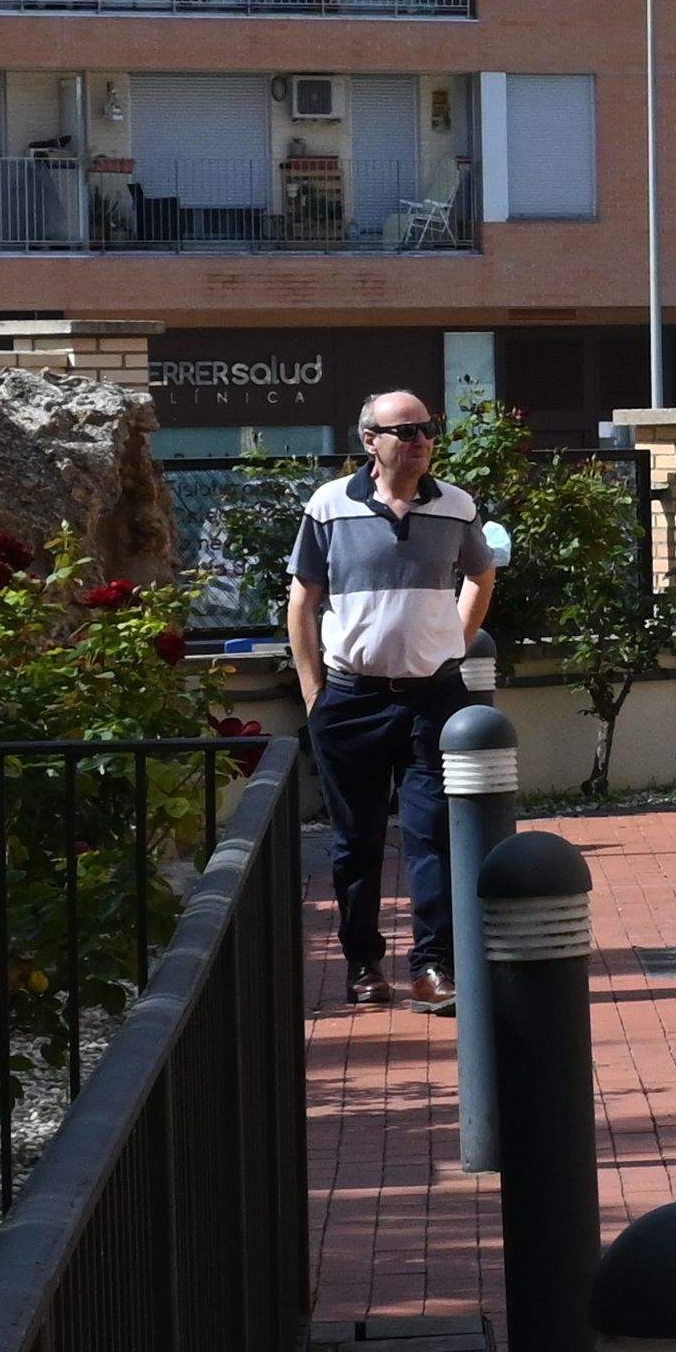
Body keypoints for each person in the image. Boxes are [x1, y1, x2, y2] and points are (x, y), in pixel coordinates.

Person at [284, 390, 505, 1011]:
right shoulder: (329, 506)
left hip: (433, 699)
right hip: (349, 699)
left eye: (427, 430)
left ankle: (431, 966)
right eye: (405, 431)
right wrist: (312, 692)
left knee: (432, 833)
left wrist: (453, 646)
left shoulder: (456, 506)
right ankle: (362, 965)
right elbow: (303, 600)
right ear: (370, 440)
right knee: (356, 841)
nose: (420, 441)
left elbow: (481, 576)